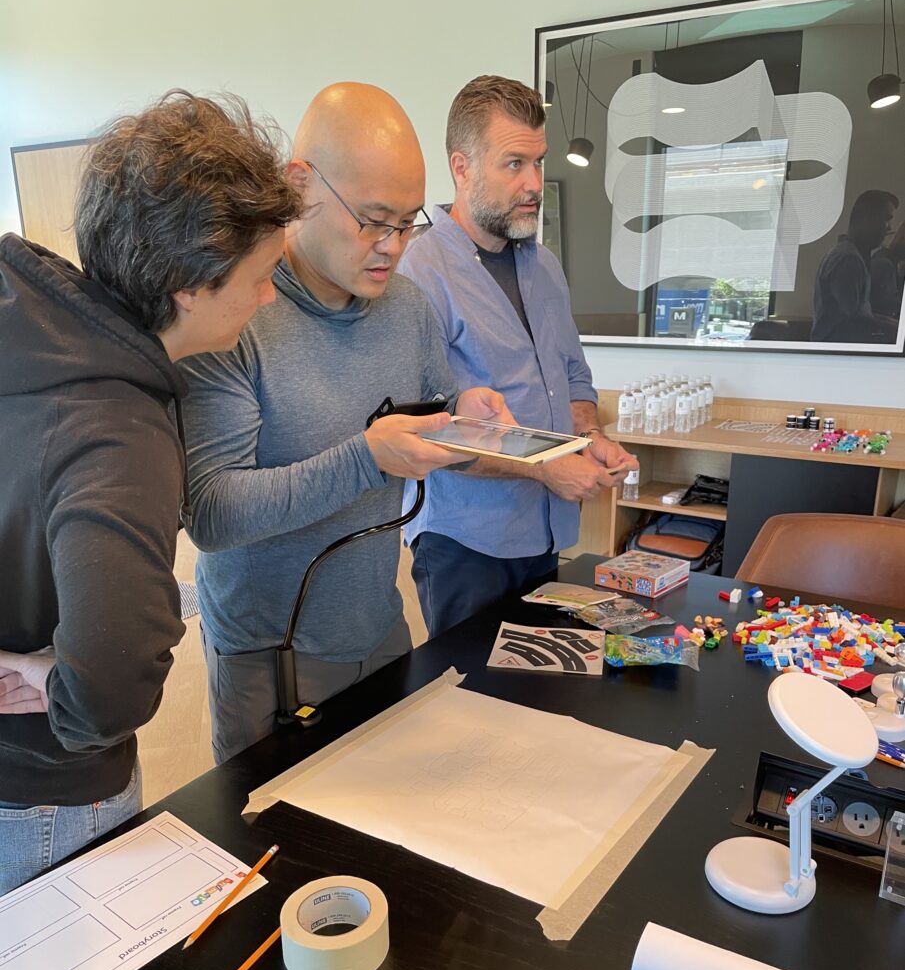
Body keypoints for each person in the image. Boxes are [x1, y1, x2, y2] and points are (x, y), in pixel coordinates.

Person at [0, 91, 301, 893]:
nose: (270, 299)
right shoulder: (116, 430)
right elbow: (113, 676)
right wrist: (61, 686)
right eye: (262, 276)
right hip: (47, 796)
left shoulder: (27, 336)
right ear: (188, 284)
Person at [179, 83, 512, 765]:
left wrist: (467, 426)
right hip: (269, 656)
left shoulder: (408, 308)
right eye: (372, 220)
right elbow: (212, 515)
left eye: (407, 223)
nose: (392, 247)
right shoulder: (235, 310)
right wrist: (367, 458)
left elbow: (429, 439)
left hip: (379, 627)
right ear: (300, 185)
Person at [397, 74, 637, 638]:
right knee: (470, 700)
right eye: (513, 164)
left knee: (536, 691)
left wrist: (591, 437)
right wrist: (547, 467)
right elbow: (426, 429)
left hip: (547, 529)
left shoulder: (544, 265)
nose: (534, 183)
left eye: (539, 162)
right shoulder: (418, 274)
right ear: (462, 168)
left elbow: (573, 374)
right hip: (467, 538)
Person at [812, 189, 900, 342]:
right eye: (886, 219)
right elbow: (854, 321)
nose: (889, 228)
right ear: (868, 219)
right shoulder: (848, 259)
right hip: (838, 356)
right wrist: (895, 327)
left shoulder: (851, 255)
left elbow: (860, 314)